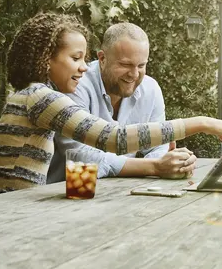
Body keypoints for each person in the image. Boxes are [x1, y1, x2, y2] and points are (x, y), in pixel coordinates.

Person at [0, 13, 222, 196]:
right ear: (47, 59)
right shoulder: (41, 98)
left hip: (25, 205)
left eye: (84, 60)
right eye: (76, 58)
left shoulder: (38, 95)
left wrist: (166, 164)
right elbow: (112, 139)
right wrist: (202, 123)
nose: (84, 68)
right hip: (1, 212)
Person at [48, 22, 199, 183]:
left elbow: (159, 145)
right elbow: (78, 154)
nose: (134, 74)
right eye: (126, 65)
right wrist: (154, 166)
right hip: (64, 195)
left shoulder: (151, 89)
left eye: (141, 65)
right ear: (102, 58)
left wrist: (173, 163)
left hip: (121, 192)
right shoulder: (75, 85)